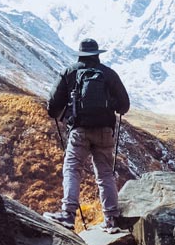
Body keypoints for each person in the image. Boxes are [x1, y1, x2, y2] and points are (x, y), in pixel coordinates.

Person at [45, 38, 130, 232]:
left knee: (72, 169)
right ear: (98, 54)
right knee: (105, 174)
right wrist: (109, 106)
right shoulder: (109, 74)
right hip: (105, 132)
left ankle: (67, 215)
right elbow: (124, 105)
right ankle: (111, 219)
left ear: (80, 54)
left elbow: (52, 106)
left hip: (79, 131)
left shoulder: (70, 72)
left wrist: (65, 114)